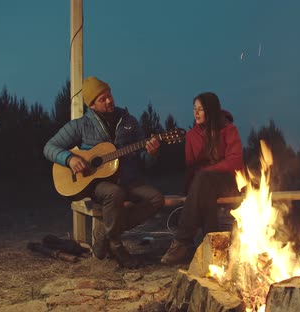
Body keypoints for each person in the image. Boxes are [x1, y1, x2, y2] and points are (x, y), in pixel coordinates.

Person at [44, 76, 164, 268]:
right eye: (102, 99)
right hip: (97, 183)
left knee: (156, 198)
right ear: (91, 105)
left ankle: (106, 235)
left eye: (109, 95)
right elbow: (49, 147)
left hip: (128, 179)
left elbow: (145, 161)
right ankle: (116, 245)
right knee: (114, 193)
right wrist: (70, 159)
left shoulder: (129, 122)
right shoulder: (80, 125)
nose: (109, 100)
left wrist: (153, 153)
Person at [161, 92, 243, 265]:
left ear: (211, 110)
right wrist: (189, 192)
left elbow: (234, 162)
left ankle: (182, 242)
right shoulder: (191, 135)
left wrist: (206, 171)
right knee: (204, 190)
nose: (196, 113)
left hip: (227, 181)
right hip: (204, 184)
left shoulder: (228, 130)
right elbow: (191, 166)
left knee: (204, 180)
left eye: (201, 109)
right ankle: (214, 250)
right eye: (194, 109)